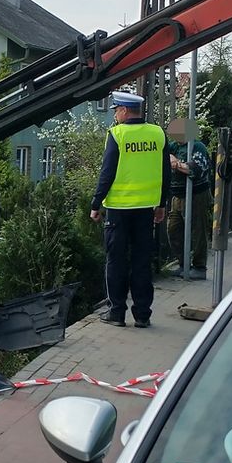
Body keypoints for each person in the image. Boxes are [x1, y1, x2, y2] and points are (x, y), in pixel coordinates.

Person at [90, 90, 171, 328]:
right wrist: (162, 204)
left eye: (116, 110)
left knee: (115, 261)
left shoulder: (117, 134)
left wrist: (96, 204)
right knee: (142, 261)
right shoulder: (158, 134)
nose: (115, 115)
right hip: (146, 209)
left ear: (124, 111)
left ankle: (116, 313)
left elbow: (107, 173)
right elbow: (165, 173)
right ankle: (142, 315)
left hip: (118, 209)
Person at [165, 120, 213, 280]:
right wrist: (174, 162)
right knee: (173, 229)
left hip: (196, 194)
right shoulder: (174, 146)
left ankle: (200, 267)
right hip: (177, 195)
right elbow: (164, 155)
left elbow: (196, 169)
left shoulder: (197, 147)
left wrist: (176, 164)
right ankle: (183, 263)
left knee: (197, 230)